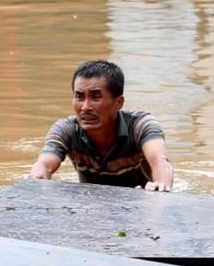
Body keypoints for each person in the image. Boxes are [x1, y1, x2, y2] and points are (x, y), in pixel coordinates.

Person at [27, 60, 173, 191]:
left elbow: (160, 160)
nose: (85, 107)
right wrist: (36, 178)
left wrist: (161, 185)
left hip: (139, 201)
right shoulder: (66, 130)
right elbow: (45, 164)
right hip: (91, 205)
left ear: (118, 103)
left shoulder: (141, 125)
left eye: (95, 97)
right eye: (79, 96)